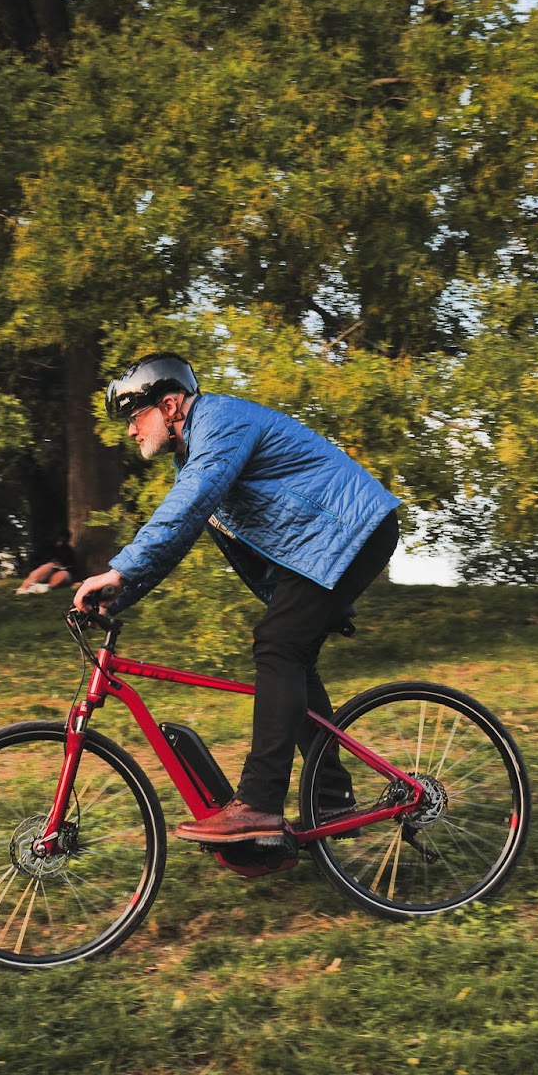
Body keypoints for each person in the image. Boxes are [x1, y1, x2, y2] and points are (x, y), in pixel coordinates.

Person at [72, 353, 402, 872]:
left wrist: (118, 569)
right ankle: (332, 800)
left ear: (171, 404)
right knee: (291, 659)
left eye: (136, 414)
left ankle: (259, 807)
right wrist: (119, 594)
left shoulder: (220, 425)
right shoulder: (197, 450)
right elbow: (178, 535)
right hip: (324, 545)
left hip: (350, 531)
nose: (131, 429)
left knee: (276, 645)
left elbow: (186, 506)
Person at [16, 531, 77, 596]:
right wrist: (50, 563)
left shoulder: (68, 550)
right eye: (59, 540)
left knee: (64, 574)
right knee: (49, 566)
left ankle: (45, 588)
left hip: (60, 573)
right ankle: (24, 587)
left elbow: (72, 567)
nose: (60, 543)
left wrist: (61, 566)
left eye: (63, 541)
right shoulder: (45, 547)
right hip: (44, 572)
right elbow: (34, 562)